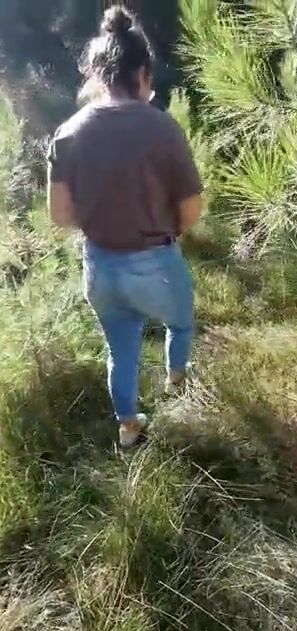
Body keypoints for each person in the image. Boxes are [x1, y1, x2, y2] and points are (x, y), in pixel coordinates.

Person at [47, 6, 202, 448]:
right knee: (180, 324)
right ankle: (177, 384)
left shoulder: (68, 132)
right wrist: (166, 232)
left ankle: (129, 428)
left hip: (99, 265)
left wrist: (102, 224)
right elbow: (191, 208)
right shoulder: (162, 127)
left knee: (120, 348)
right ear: (142, 74)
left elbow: (60, 215)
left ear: (97, 77)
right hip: (156, 258)